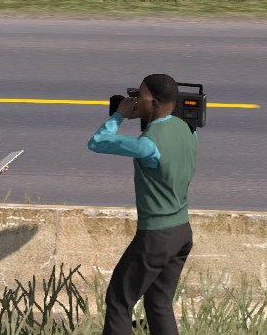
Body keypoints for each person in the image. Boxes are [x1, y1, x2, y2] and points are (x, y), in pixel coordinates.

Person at [87, 73, 198, 335]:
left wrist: (119, 115)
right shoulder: (187, 130)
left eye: (140, 95)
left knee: (119, 300)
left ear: (155, 102)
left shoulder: (148, 145)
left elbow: (97, 142)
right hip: (182, 232)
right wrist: (146, 116)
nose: (134, 99)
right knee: (159, 303)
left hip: (156, 237)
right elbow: (165, 130)